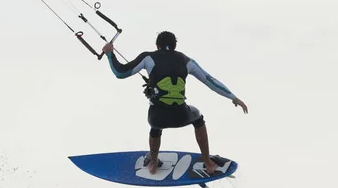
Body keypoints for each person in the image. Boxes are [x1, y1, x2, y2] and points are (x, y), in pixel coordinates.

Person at [101, 31, 248, 175]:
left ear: (157, 45)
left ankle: (153, 163)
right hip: (182, 116)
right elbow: (210, 81)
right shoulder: (186, 60)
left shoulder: (148, 57)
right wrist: (233, 98)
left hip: (157, 119)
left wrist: (109, 53)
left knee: (155, 122)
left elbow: (120, 73)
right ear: (175, 46)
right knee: (198, 117)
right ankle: (208, 164)